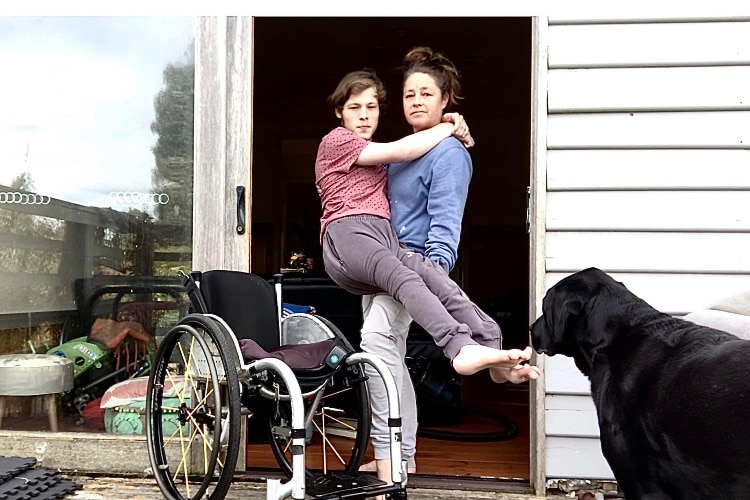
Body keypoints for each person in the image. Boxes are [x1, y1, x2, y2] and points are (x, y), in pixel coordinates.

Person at [315, 66, 537, 480]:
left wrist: (437, 263)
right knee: (391, 360)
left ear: (445, 99)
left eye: (426, 94)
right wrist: (452, 126)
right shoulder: (396, 151)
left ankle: (390, 459)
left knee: (378, 351)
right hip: (381, 256)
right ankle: (407, 449)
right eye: (409, 94)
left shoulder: (448, 153)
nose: (416, 101)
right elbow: (394, 155)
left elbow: (446, 217)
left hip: (407, 261)